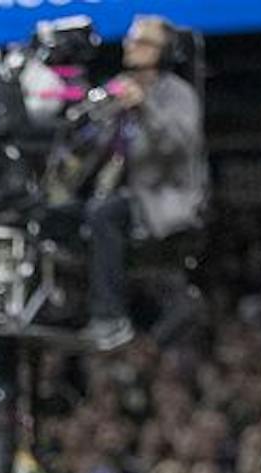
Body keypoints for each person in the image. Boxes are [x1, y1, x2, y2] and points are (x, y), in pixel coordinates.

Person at [77, 14, 206, 349]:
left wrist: (144, 106)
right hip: (120, 190)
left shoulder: (178, 94)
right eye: (130, 40)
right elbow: (92, 141)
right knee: (62, 212)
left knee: (103, 214)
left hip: (161, 199)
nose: (130, 47)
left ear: (163, 52)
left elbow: (179, 147)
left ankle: (110, 317)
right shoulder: (119, 87)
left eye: (141, 42)